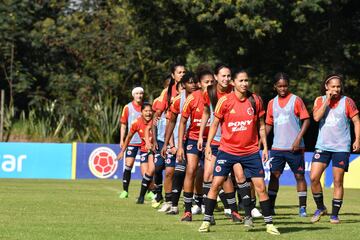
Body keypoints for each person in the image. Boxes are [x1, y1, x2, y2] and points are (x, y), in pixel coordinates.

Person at [198, 68, 280, 235]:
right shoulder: (225, 101)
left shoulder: (255, 100)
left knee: (260, 187)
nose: (244, 83)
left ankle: (269, 224)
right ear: (233, 83)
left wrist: (264, 147)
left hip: (250, 152)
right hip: (227, 150)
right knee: (215, 184)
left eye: (246, 80)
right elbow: (214, 124)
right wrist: (207, 145)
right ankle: (206, 220)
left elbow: (262, 125)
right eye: (241, 81)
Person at [198, 63, 247, 221]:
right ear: (216, 77)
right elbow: (206, 113)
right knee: (208, 174)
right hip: (214, 140)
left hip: (231, 141)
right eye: (223, 76)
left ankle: (235, 211)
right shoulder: (210, 92)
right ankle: (208, 212)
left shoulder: (236, 90)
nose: (226, 79)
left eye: (228, 76)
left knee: (234, 177)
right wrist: (202, 137)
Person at [310, 74, 360, 224]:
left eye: (338, 86)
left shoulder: (347, 102)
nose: (336, 89)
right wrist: (327, 100)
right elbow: (317, 118)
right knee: (313, 178)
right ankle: (321, 208)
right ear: (327, 87)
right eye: (333, 86)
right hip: (322, 146)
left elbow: (357, 121)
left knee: (338, 181)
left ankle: (334, 215)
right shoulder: (319, 100)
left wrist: (357, 139)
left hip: (341, 147)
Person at [265, 72, 310, 217]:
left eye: (285, 86)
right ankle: (271, 207)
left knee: (299, 176)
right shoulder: (272, 103)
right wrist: (261, 139)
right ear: (275, 87)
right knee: (274, 176)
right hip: (277, 148)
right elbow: (268, 124)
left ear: (288, 85)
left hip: (294, 148)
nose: (283, 88)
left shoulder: (296, 100)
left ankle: (302, 208)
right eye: (280, 86)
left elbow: (307, 120)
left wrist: (298, 139)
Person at [176, 65, 215, 221]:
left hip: (212, 141)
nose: (210, 84)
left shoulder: (219, 96)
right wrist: (179, 146)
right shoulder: (192, 98)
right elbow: (182, 122)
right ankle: (187, 211)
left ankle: (208, 208)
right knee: (191, 169)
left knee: (208, 173)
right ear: (199, 83)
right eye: (206, 82)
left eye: (212, 81)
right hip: (193, 138)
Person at [160, 72, 198, 214]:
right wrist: (168, 144)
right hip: (181, 142)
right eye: (190, 82)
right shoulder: (177, 100)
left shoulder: (203, 98)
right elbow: (171, 122)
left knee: (197, 172)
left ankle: (198, 203)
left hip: (198, 141)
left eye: (195, 82)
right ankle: (174, 205)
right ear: (183, 85)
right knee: (179, 172)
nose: (193, 85)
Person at [153, 63, 186, 212]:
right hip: (169, 137)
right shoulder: (167, 92)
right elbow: (159, 115)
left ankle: (191, 202)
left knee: (187, 172)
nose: (182, 74)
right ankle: (167, 201)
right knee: (169, 171)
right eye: (179, 72)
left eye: (184, 72)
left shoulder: (192, 91)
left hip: (187, 138)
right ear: (173, 75)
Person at [117, 103, 155, 204]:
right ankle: (145, 193)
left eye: (150, 111)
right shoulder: (136, 123)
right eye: (146, 111)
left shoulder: (155, 121)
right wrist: (122, 152)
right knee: (145, 173)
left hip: (155, 150)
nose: (148, 113)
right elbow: (129, 137)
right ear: (141, 112)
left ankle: (153, 193)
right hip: (144, 150)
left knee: (151, 172)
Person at [118, 87, 144, 199]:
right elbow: (123, 124)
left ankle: (149, 192)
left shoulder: (147, 107)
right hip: (132, 141)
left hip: (144, 142)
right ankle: (125, 191)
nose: (139, 95)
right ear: (133, 95)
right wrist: (122, 139)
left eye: (141, 93)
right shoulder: (127, 107)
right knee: (128, 165)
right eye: (137, 93)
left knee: (146, 169)